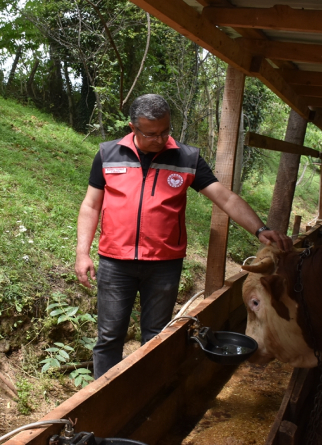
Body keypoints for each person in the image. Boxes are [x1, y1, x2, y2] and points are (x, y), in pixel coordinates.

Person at [75, 94, 292, 379]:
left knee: (155, 336)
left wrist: (260, 229)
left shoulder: (187, 158)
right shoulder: (108, 154)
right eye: (151, 133)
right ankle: (102, 399)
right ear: (133, 127)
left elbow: (224, 198)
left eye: (165, 131)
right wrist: (82, 252)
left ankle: (148, 393)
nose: (160, 138)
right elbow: (91, 205)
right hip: (115, 263)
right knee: (109, 336)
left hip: (164, 266)